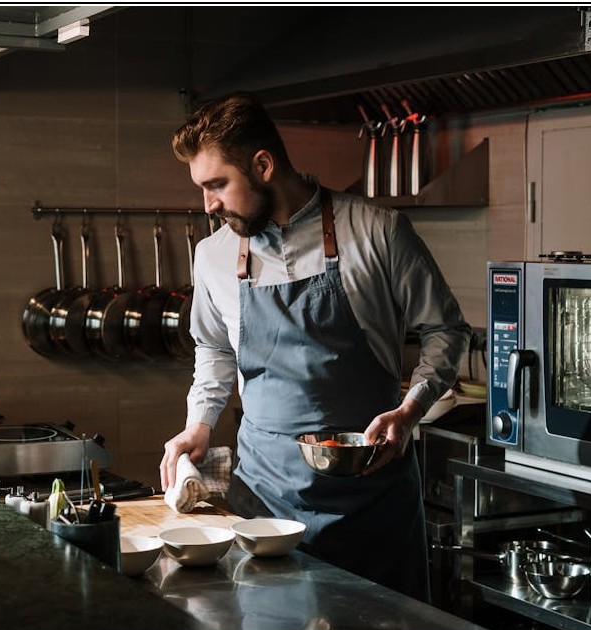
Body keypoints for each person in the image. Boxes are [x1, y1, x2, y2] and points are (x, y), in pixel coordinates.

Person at [160, 92, 470, 602]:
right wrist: (200, 423)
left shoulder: (377, 230)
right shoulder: (212, 255)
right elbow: (214, 349)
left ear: (262, 165)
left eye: (217, 184)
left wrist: (411, 410)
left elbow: (445, 329)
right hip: (264, 500)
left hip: (371, 500)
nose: (208, 204)